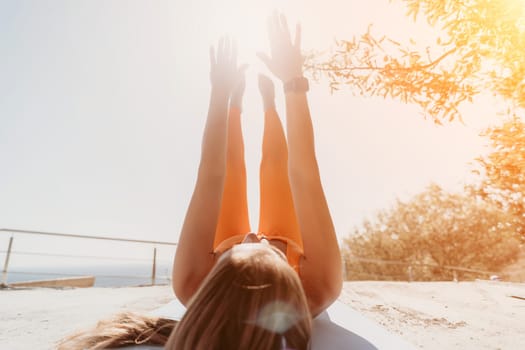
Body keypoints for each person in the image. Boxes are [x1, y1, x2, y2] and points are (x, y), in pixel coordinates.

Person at [58, 13, 342, 350]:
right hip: (287, 251)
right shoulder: (318, 286)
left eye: (247, 244)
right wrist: (294, 82)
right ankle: (269, 107)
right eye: (266, 247)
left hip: (226, 250)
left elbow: (212, 173)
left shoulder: (191, 283)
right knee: (276, 169)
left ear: (217, 276)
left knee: (233, 170)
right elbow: (304, 174)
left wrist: (221, 95)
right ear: (290, 284)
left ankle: (239, 106)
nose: (258, 235)